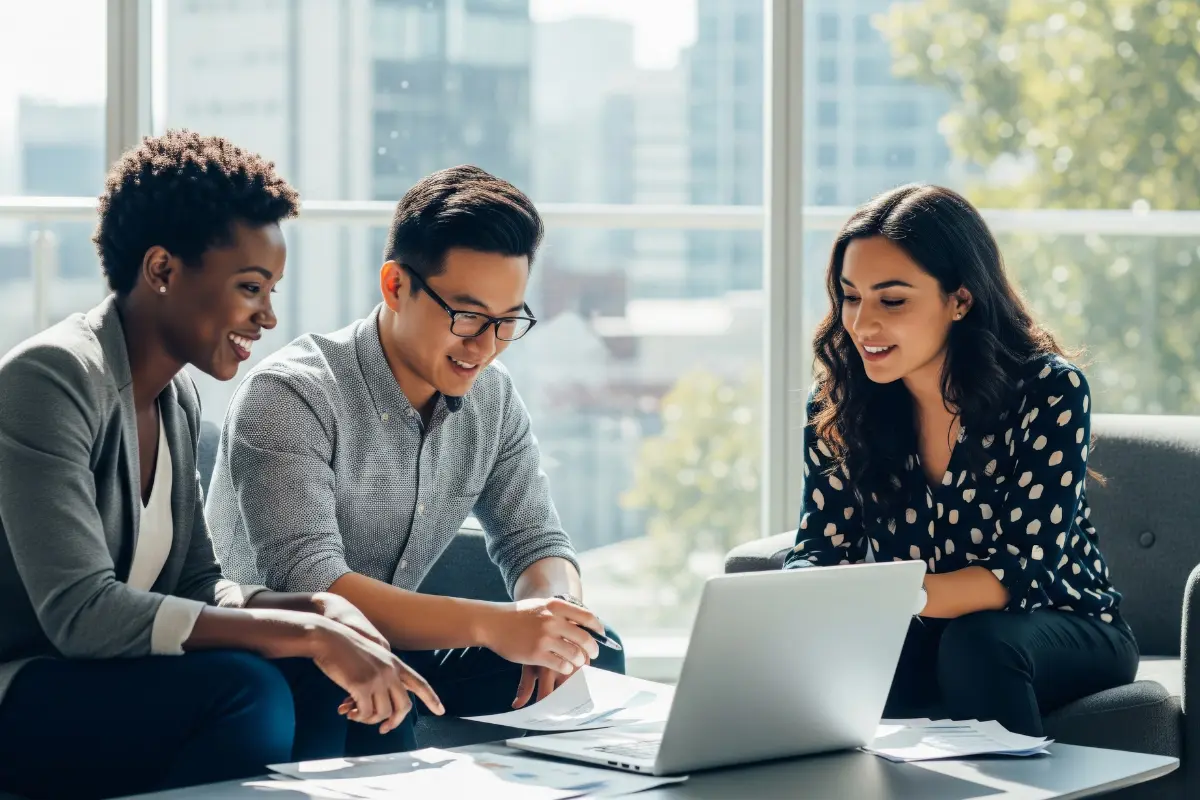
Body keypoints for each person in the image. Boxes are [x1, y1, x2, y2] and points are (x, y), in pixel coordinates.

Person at [0, 131, 441, 800]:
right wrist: (309, 633)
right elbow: (82, 614)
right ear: (163, 270)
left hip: (106, 680)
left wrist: (322, 609)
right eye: (250, 287)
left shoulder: (175, 393)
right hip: (24, 685)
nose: (268, 316)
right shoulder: (51, 379)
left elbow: (200, 582)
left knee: (328, 675)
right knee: (249, 690)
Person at [206, 164, 624, 755]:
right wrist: (495, 624)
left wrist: (557, 615)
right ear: (396, 286)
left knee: (597, 655)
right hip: (287, 650)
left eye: (508, 321)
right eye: (469, 315)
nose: (484, 345)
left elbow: (536, 540)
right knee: (362, 699)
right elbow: (314, 584)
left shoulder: (493, 395)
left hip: (401, 644)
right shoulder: (292, 394)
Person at [785, 184, 1138, 736]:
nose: (862, 324)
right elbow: (820, 546)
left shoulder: (1049, 391)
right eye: (851, 296)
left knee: (976, 643)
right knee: (863, 663)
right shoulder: (838, 403)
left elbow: (1023, 573)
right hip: (926, 626)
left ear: (960, 299)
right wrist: (804, 591)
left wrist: (874, 598)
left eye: (893, 299)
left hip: (1063, 624)